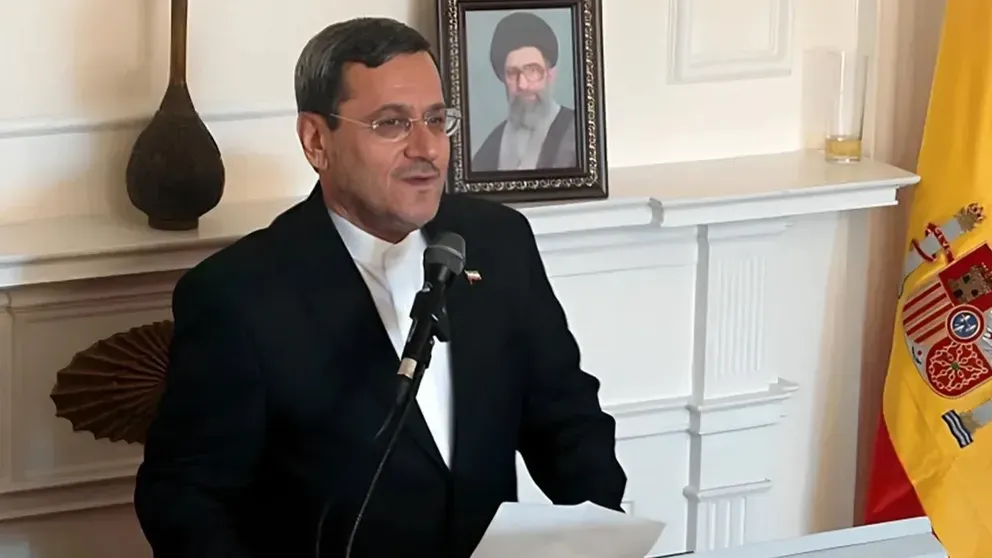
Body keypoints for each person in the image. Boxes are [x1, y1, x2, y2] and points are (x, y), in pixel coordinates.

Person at [133, 16, 625, 558]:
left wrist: (600, 535)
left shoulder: (499, 242)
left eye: (435, 119)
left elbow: (566, 419)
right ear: (316, 141)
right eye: (391, 124)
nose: (427, 148)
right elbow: (186, 502)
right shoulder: (236, 297)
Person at [471, 11, 578, 172]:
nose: (522, 85)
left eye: (533, 70)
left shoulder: (577, 132)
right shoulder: (490, 148)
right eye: (512, 73)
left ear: (550, 74)